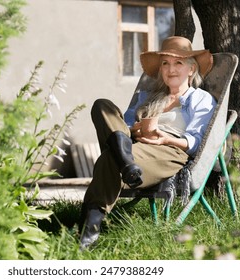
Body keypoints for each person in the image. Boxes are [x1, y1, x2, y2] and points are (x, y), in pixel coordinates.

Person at [79, 36, 216, 250]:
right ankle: (126, 163)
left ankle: (88, 233)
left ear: (191, 69)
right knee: (102, 106)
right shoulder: (147, 97)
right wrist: (136, 130)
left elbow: (197, 142)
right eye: (165, 63)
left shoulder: (201, 99)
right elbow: (121, 126)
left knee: (109, 158)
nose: (171, 69)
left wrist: (164, 138)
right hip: (133, 144)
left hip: (168, 150)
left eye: (178, 62)